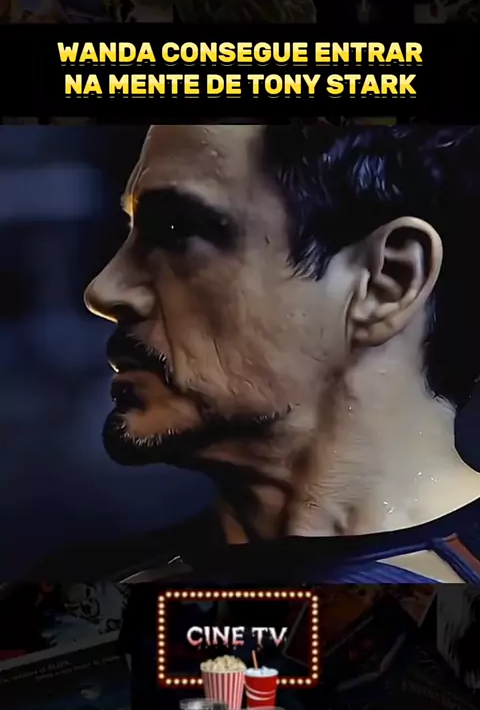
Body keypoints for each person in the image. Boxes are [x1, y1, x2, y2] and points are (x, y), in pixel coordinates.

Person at [37, 124, 480, 583]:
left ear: (386, 283)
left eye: (176, 229)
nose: (103, 291)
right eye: (132, 232)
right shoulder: (78, 597)